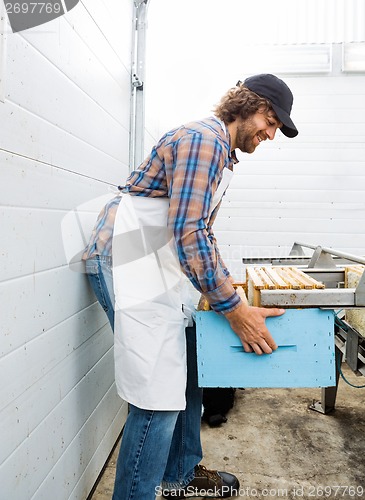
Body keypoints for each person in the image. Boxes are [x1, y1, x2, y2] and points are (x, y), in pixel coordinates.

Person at [83, 73, 298, 500]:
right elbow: (188, 233)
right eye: (271, 122)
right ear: (249, 106)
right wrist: (235, 310)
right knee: (156, 393)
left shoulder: (221, 152)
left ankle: (179, 478)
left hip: (151, 266)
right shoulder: (204, 141)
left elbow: (201, 231)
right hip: (124, 263)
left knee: (188, 374)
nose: (271, 134)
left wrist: (220, 288)